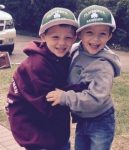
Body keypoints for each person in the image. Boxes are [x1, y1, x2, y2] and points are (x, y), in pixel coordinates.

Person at [46, 5, 121, 150]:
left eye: (103, 34)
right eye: (89, 32)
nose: (95, 39)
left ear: (109, 36)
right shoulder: (75, 49)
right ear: (79, 34)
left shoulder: (104, 66)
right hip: (82, 118)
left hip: (101, 120)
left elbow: (96, 99)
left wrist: (65, 97)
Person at [6, 7, 80, 150]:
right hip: (36, 133)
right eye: (55, 37)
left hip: (49, 129)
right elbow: (49, 103)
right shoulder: (37, 65)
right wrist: (79, 95)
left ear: (75, 38)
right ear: (43, 36)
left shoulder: (59, 57)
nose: (62, 43)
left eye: (68, 38)